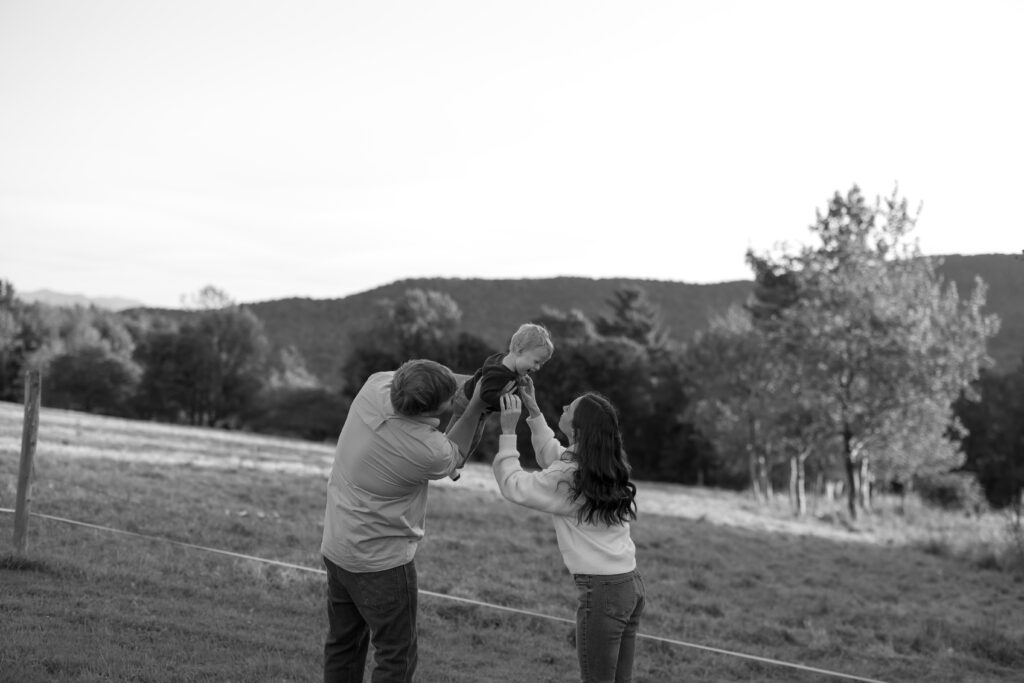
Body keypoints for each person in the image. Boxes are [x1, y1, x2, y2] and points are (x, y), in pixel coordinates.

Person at [320, 358, 496, 683]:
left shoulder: (373, 387)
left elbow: (423, 380)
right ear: (438, 406)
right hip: (381, 565)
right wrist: (475, 406)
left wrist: (483, 379)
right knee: (396, 655)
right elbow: (455, 451)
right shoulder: (429, 451)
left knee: (343, 645)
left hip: (337, 546)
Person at [492, 378, 645, 683]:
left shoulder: (572, 474)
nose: (563, 406)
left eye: (570, 408)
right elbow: (555, 457)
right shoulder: (603, 465)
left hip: (602, 594)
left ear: (579, 429)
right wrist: (534, 412)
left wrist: (508, 432)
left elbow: (514, 486)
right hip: (630, 586)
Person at [446, 322, 554, 459]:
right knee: (469, 437)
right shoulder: (499, 373)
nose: (538, 368)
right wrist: (505, 402)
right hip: (467, 403)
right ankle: (453, 459)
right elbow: (485, 395)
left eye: (541, 364)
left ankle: (449, 454)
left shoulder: (500, 359)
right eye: (536, 362)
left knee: (458, 430)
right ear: (519, 350)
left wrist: (518, 380)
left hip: (465, 396)